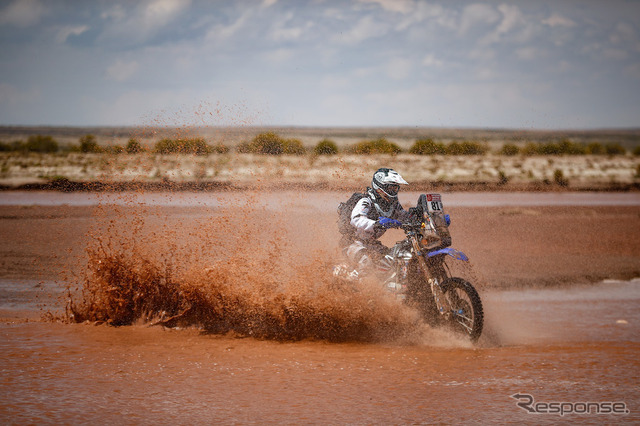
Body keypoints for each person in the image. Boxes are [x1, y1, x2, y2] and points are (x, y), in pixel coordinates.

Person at [341, 167, 412, 278]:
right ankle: (349, 281)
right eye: (390, 187)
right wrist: (376, 224)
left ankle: (386, 288)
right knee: (366, 263)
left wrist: (420, 217)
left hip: (372, 244)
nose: (393, 191)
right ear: (380, 186)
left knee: (392, 261)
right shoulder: (366, 200)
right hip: (353, 243)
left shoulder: (393, 205)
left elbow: (404, 217)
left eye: (395, 188)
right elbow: (356, 219)